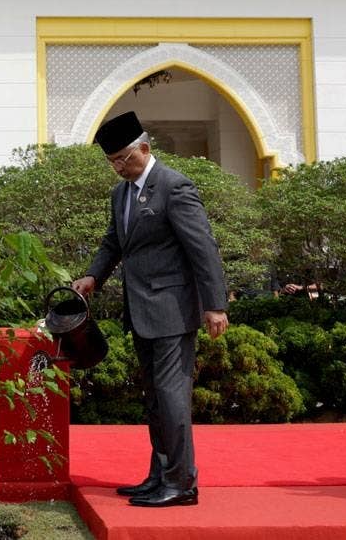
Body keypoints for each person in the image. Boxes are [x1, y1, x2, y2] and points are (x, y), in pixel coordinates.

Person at [71, 111, 229, 508]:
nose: (120, 167)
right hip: (140, 310)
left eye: (125, 158)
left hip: (173, 311)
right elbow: (114, 242)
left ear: (144, 148)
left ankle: (182, 483)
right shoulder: (121, 193)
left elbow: (203, 248)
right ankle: (160, 475)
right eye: (113, 162)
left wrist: (214, 305)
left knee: (173, 398)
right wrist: (93, 276)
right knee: (155, 399)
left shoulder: (174, 186)